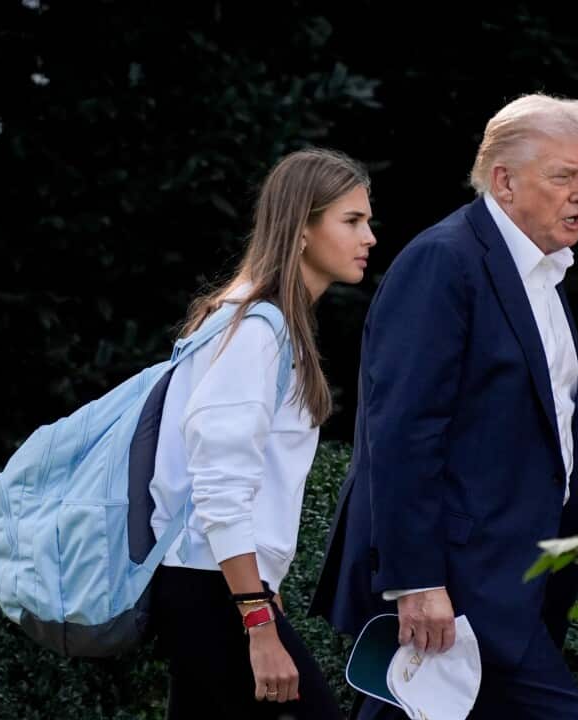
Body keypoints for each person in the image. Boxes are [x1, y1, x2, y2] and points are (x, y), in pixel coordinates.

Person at [311, 94, 578, 720]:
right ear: (504, 181)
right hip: (459, 590)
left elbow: (564, 441)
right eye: (563, 176)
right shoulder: (443, 262)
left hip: (512, 586)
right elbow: (401, 433)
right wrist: (416, 580)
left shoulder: (545, 273)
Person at [149, 147, 376, 719]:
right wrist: (257, 620)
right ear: (301, 229)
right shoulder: (256, 330)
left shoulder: (249, 322)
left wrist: (258, 594)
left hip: (212, 585)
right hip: (212, 589)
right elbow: (219, 485)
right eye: (351, 221)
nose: (369, 236)